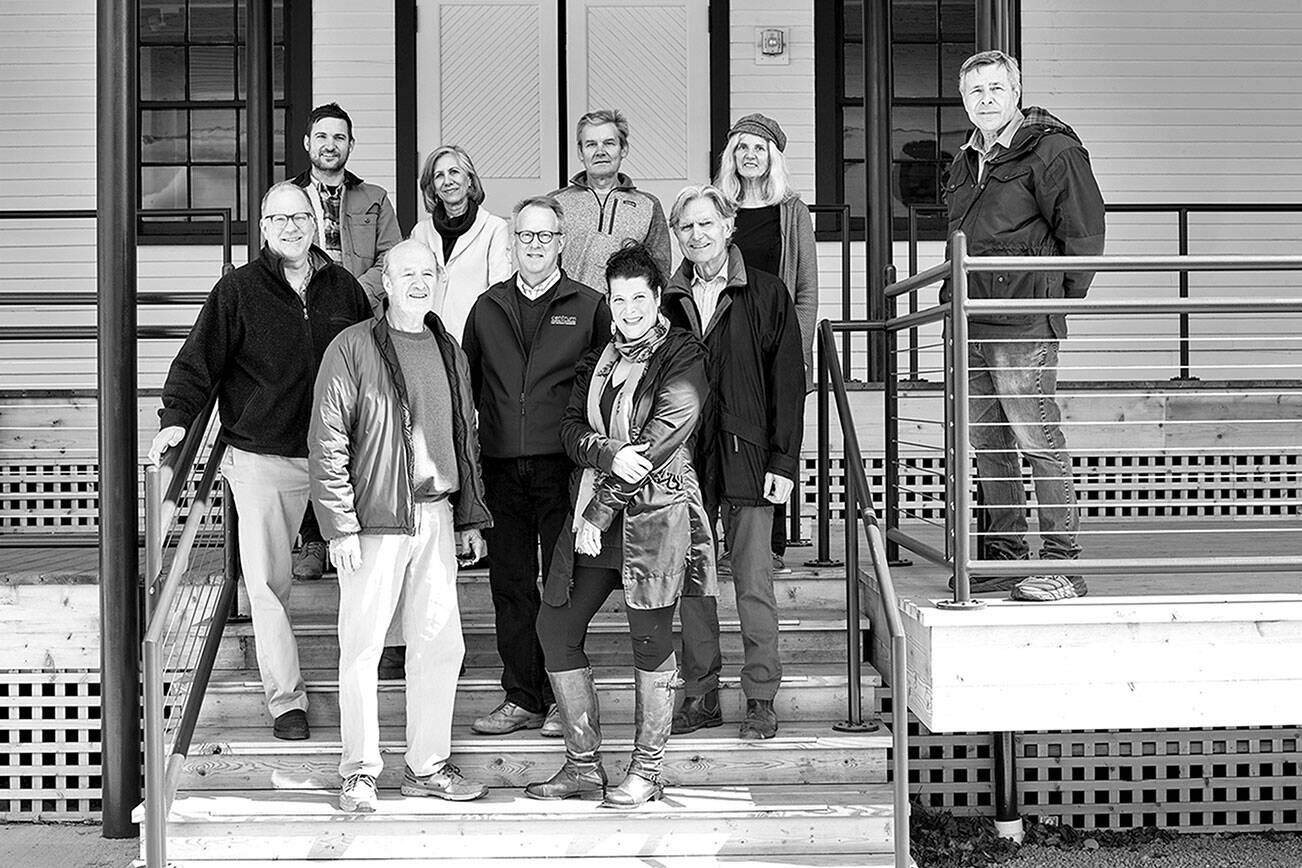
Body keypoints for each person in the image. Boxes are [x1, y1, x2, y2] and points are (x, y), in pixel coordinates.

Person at [149, 181, 372, 741]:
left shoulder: (345, 288)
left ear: (317, 220)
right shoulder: (238, 291)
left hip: (338, 457)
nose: (291, 227)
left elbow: (374, 361)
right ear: (264, 228)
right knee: (269, 586)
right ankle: (286, 700)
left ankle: (368, 683)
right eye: (278, 219)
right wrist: (176, 416)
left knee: (365, 576)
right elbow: (198, 360)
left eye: (301, 217)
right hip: (261, 456)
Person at [525, 242, 714, 810]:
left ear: (658, 298)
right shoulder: (598, 359)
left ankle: (647, 770)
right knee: (554, 627)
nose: (628, 308)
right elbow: (568, 430)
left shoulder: (684, 353)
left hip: (656, 515)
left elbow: (663, 436)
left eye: (639, 297)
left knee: (650, 641)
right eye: (618, 298)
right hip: (592, 514)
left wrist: (603, 506)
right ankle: (583, 766)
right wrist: (604, 453)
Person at [310, 240, 491, 812]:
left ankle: (426, 765)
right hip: (374, 520)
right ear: (384, 282)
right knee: (362, 647)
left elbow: (464, 439)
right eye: (406, 272)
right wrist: (338, 527)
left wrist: (468, 517)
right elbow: (328, 438)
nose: (418, 281)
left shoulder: (449, 348)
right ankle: (359, 771)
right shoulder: (353, 347)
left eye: (427, 272)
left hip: (436, 514)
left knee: (440, 644)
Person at [944, 50, 1105, 602]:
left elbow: (1083, 233)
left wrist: (1050, 300)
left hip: (1022, 322)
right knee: (988, 442)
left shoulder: (1051, 150)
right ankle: (1008, 557)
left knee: (1036, 437)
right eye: (974, 92)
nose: (985, 99)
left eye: (995, 89)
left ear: (1016, 92)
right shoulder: (966, 160)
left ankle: (1063, 563)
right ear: (965, 100)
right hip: (970, 319)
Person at [461, 195, 612, 737]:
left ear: (561, 241)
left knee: (560, 586)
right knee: (511, 584)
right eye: (525, 236)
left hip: (563, 468)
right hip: (502, 467)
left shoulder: (590, 305)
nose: (535, 246)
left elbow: (606, 391)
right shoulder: (486, 307)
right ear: (513, 242)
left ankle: (558, 698)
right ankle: (520, 695)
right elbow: (467, 392)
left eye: (545, 236)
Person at [661, 185, 804, 740]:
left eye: (706, 224)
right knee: (693, 583)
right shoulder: (666, 301)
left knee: (752, 582)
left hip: (748, 456)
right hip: (684, 461)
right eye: (686, 228)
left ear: (728, 226)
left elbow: (789, 383)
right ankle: (701, 695)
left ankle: (761, 696)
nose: (697, 236)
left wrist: (783, 460)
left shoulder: (766, 293)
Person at [289, 102, 402, 582]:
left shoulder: (374, 198)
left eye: (339, 137)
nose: (330, 145)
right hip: (304, 327)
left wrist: (352, 296)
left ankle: (363, 525)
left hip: (363, 326)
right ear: (308, 145)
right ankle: (315, 538)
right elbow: (277, 254)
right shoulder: (286, 197)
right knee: (317, 428)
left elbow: (390, 257)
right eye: (322, 137)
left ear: (350, 146)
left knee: (366, 425)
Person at [714, 112, 819, 575]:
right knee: (724, 439)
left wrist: (793, 347)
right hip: (727, 340)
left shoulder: (791, 210)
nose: (749, 156)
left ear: (772, 157)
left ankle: (771, 547)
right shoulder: (718, 209)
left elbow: (808, 290)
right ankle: (725, 541)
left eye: (758, 148)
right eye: (741, 148)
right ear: (730, 157)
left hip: (776, 342)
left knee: (776, 437)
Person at [552, 109, 672, 292]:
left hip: (627, 315)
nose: (600, 151)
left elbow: (660, 271)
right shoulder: (556, 203)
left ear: (623, 149)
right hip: (570, 313)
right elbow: (542, 265)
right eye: (591, 144)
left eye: (609, 143)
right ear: (580, 152)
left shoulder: (648, 205)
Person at [409, 144, 512, 342]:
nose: (447, 181)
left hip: (473, 341)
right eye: (439, 175)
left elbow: (498, 293)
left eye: (454, 172)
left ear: (470, 180)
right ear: (433, 187)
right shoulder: (420, 232)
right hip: (426, 340)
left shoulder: (494, 228)